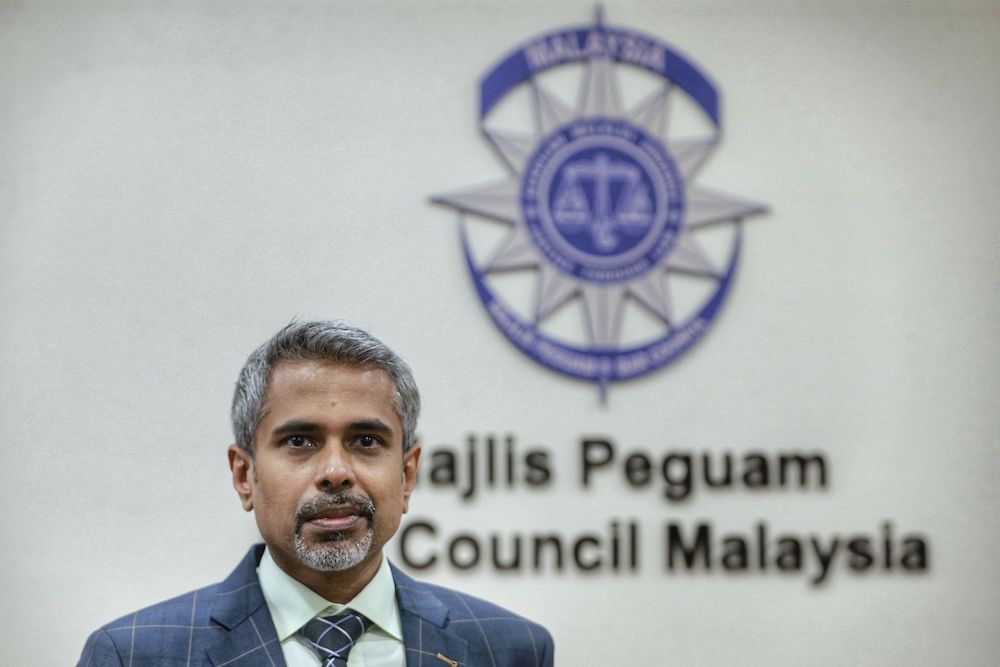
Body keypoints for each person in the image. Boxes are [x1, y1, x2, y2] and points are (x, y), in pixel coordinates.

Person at [77, 320, 554, 666]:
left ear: (407, 475)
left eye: (366, 441)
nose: (335, 471)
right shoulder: (134, 654)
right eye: (299, 441)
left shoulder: (512, 649)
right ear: (245, 475)